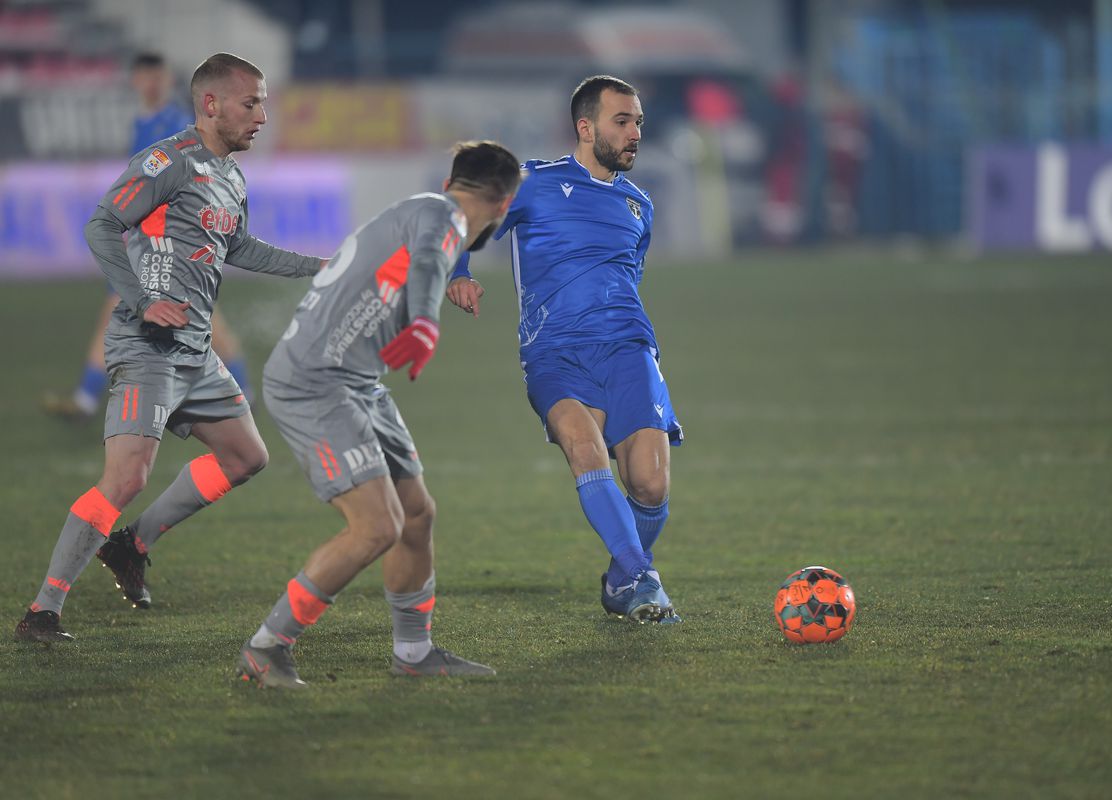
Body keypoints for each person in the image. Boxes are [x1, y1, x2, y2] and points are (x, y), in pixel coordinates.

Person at [15, 52, 328, 643]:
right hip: (147, 346)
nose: (262, 115)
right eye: (251, 102)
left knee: (246, 458)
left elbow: (241, 250)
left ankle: (133, 544)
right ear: (211, 105)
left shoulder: (232, 175)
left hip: (195, 350)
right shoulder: (168, 161)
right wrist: (138, 300)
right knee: (126, 477)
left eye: (263, 102)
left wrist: (320, 267)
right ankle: (42, 611)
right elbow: (102, 224)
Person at [235, 140, 521, 689]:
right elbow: (434, 264)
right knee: (377, 526)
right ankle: (266, 647)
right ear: (504, 204)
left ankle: (414, 653)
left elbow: (427, 261)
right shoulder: (442, 218)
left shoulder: (424, 210)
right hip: (315, 384)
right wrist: (425, 324)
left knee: (416, 514)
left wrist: (418, 321)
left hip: (357, 382)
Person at [447, 75, 683, 625]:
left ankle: (622, 579)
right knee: (584, 448)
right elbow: (463, 208)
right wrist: (459, 271)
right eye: (622, 121)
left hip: (628, 349)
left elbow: (628, 277)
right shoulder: (535, 182)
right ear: (585, 126)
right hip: (554, 353)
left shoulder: (639, 205)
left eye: (639, 123)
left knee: (649, 483)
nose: (634, 133)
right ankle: (644, 579)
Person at [41, 51, 256, 420]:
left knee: (199, 318)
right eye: (146, 76)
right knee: (142, 312)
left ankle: (87, 398)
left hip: (175, 239)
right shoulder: (141, 124)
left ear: (166, 79)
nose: (152, 83)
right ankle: (87, 398)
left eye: (158, 76)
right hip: (151, 240)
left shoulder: (175, 123)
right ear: (136, 81)